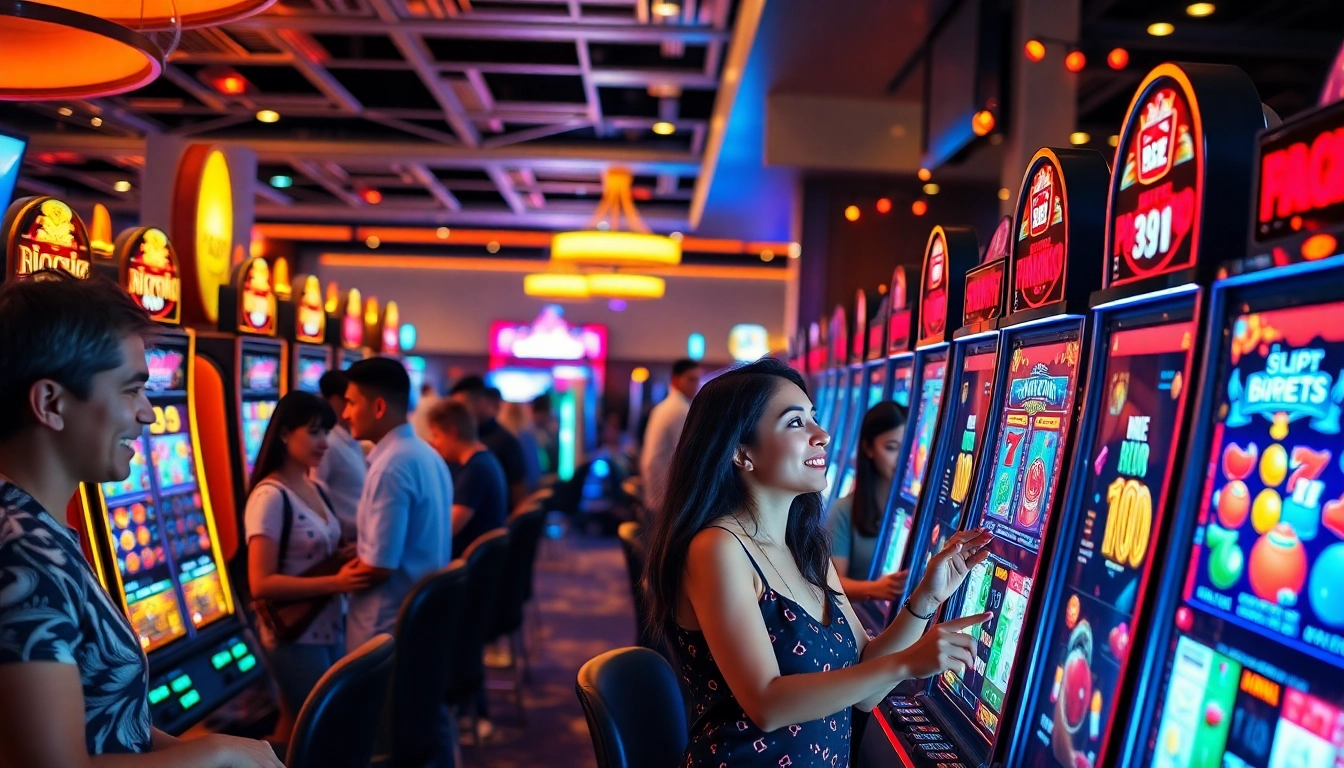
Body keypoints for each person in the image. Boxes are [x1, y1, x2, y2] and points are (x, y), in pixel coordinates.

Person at [642, 358, 993, 766]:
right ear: (741, 452)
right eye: (795, 423)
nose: (822, 436)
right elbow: (767, 703)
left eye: (814, 418)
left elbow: (867, 690)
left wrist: (923, 601)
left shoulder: (805, 548)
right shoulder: (717, 548)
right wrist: (905, 662)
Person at [0, 271, 282, 767]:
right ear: (51, 403)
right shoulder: (21, 556)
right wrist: (213, 752)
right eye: (131, 390)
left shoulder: (40, 530)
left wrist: (211, 752)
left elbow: (109, 723)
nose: (150, 414)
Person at [244, 390, 371, 733]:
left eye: (327, 432)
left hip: (329, 623)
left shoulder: (317, 488)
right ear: (285, 434)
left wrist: (340, 557)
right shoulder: (270, 497)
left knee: (305, 730)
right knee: (325, 731)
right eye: (314, 432)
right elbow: (261, 582)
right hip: (294, 635)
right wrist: (335, 582)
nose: (325, 443)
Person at [341, 358, 453, 652]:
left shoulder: (390, 468)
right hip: (420, 616)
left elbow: (379, 567)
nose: (345, 413)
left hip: (384, 627)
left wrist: (320, 581)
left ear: (378, 407)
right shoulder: (426, 454)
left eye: (351, 403)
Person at [829, 401, 911, 602]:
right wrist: (875, 588)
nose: (903, 458)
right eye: (892, 448)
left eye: (909, 448)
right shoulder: (844, 510)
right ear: (868, 448)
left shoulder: (922, 509)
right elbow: (832, 583)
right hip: (862, 620)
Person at [424, 400, 508, 558]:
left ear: (452, 433)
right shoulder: (482, 460)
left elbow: (446, 530)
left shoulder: (476, 469)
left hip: (469, 570)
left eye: (436, 435)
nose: (434, 443)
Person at [450, 376, 528, 508]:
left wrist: (508, 528)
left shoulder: (505, 442)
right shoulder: (457, 440)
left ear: (481, 402)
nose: (458, 414)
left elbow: (519, 495)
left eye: (462, 407)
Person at [639, 358, 702, 513]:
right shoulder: (679, 409)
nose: (696, 385)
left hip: (655, 485)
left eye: (697, 380)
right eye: (691, 379)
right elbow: (689, 454)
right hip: (664, 491)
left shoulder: (666, 405)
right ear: (675, 380)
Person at [316, 370, 367, 541]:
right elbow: (315, 491)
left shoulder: (350, 438)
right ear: (336, 401)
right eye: (350, 401)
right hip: (342, 541)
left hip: (358, 539)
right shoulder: (327, 443)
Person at [497, 400, 542, 492]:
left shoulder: (501, 438)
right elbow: (535, 473)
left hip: (507, 494)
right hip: (528, 495)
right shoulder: (528, 437)